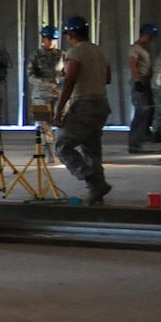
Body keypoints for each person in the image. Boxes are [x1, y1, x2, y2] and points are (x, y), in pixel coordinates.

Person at [51, 16, 112, 205]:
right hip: (101, 104)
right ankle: (97, 193)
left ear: (70, 35)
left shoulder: (75, 52)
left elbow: (70, 81)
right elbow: (108, 78)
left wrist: (59, 109)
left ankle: (92, 181)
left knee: (62, 146)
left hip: (84, 104)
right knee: (92, 148)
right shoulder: (100, 51)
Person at [127, 23, 159, 153]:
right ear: (144, 35)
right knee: (141, 112)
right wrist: (137, 81)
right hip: (140, 80)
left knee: (148, 111)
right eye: (150, 37)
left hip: (146, 80)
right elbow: (133, 65)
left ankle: (143, 137)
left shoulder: (145, 48)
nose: (151, 40)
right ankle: (135, 143)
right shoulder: (135, 48)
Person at [26, 24, 61, 122]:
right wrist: (47, 82)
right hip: (40, 97)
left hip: (59, 97)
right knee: (44, 128)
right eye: (48, 39)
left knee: (63, 125)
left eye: (54, 39)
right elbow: (31, 77)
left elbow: (68, 73)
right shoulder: (35, 56)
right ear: (43, 39)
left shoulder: (62, 55)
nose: (51, 42)